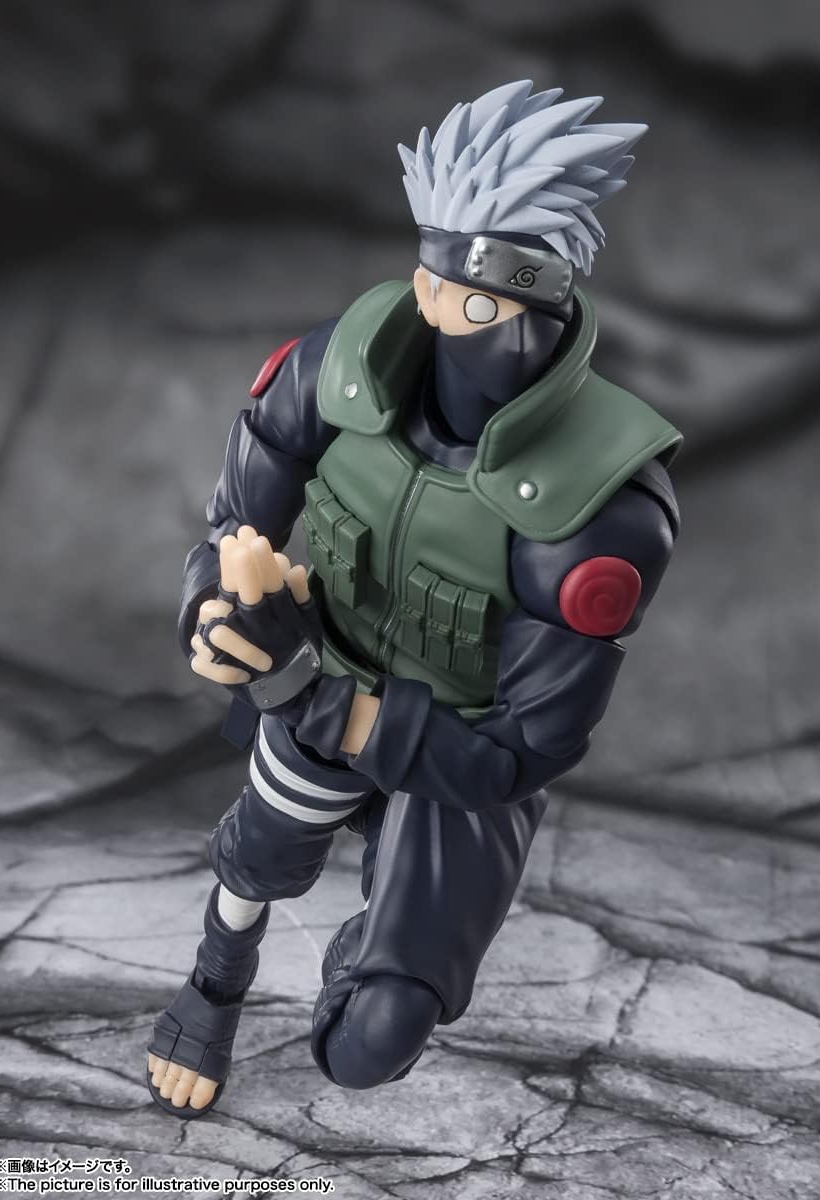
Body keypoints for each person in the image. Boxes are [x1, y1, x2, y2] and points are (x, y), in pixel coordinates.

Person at [146, 80, 681, 1117]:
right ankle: (213, 982)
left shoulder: (598, 505)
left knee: (368, 1045)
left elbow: (523, 752)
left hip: (456, 754)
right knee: (256, 860)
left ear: (536, 299)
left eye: (470, 301)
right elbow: (237, 519)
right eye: (428, 281)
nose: (434, 314)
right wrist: (215, 608)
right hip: (318, 661)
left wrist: (329, 705)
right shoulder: (340, 369)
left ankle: (384, 927)